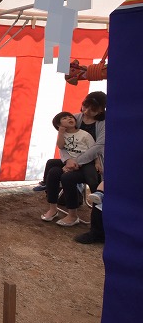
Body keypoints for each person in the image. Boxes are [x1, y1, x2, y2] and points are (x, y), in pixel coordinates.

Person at [39, 92, 106, 227]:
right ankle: (52, 209)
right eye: (84, 106)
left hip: (93, 163)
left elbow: (98, 147)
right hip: (72, 161)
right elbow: (63, 143)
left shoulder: (104, 123)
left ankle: (73, 215)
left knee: (67, 178)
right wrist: (67, 160)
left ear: (101, 109)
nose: (86, 111)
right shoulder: (74, 118)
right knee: (53, 171)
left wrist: (76, 162)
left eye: (92, 109)